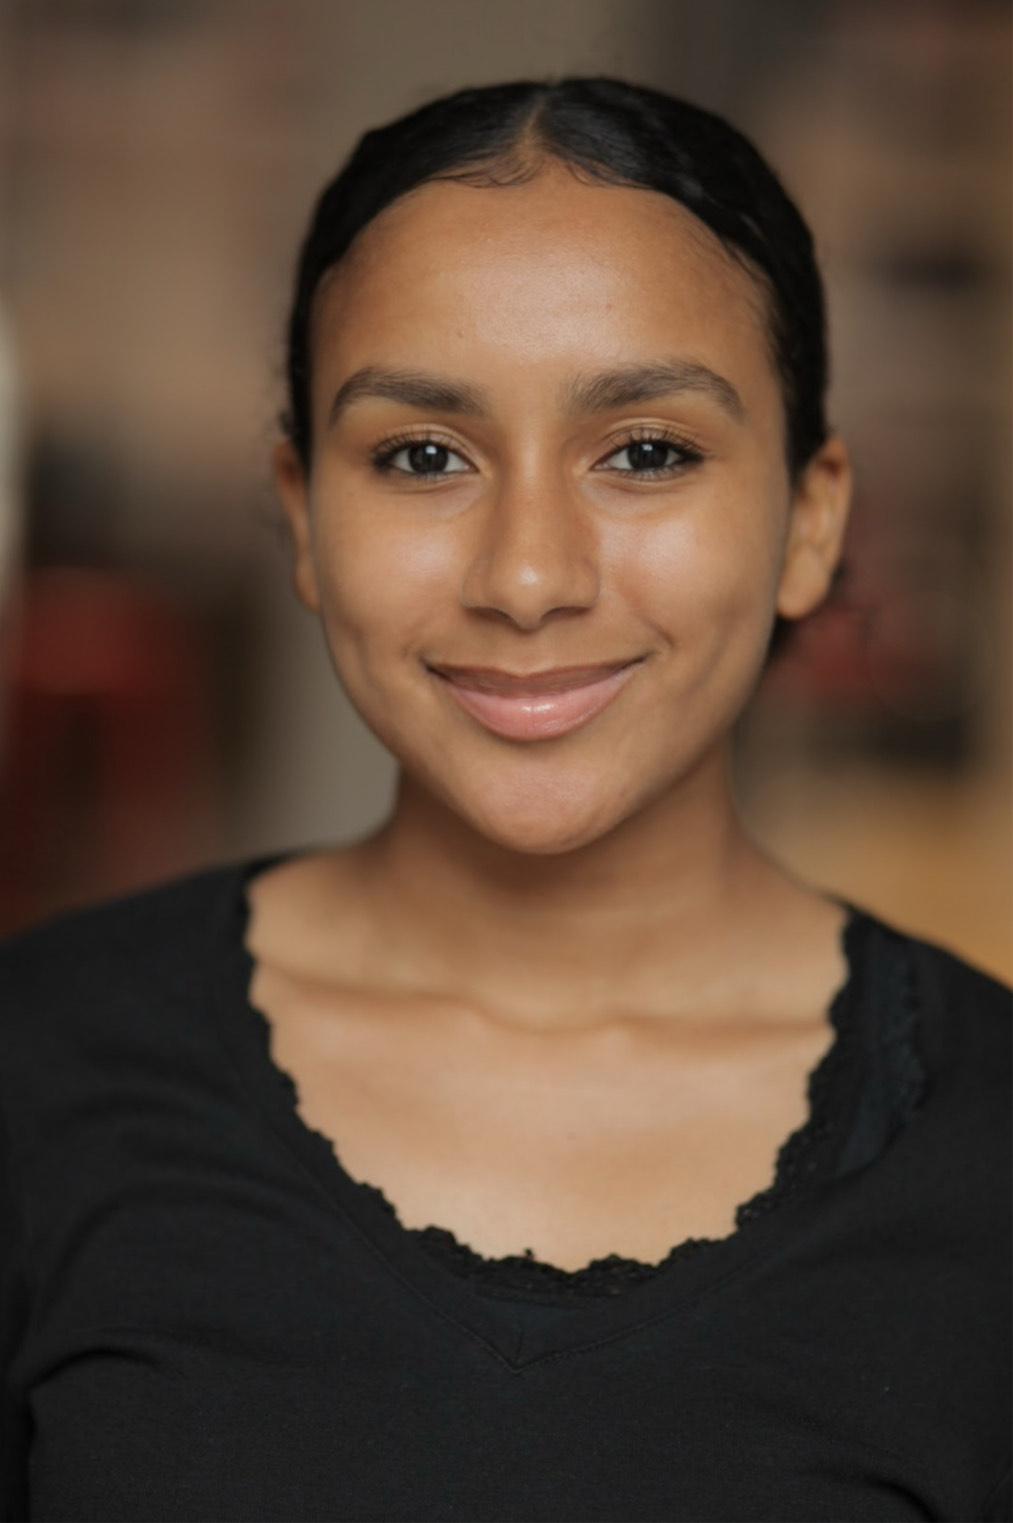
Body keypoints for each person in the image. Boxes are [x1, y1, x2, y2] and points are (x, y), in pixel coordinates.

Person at [0, 77, 1009, 1523]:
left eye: (646, 452)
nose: (528, 576)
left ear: (810, 519)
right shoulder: (36, 1067)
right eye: (422, 456)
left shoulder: (988, 1145)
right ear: (302, 515)